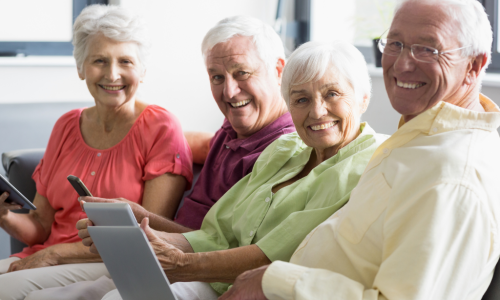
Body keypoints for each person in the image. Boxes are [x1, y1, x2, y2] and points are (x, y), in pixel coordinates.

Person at [221, 1, 500, 299]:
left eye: (428, 49)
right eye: (395, 43)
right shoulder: (419, 140)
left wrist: (274, 281)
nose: (402, 63)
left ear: (474, 65)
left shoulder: (453, 177)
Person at [20, 15, 297, 300]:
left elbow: (228, 245)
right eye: (217, 77)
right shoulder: (230, 132)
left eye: (242, 73)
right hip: (164, 257)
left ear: (278, 71)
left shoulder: (289, 151)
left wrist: (140, 220)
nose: (228, 91)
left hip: (203, 272)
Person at [88, 40, 389, 300]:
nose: (317, 111)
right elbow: (217, 233)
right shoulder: (285, 148)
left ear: (363, 97)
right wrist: (142, 233)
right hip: (215, 281)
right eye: (301, 99)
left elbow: (278, 252)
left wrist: (181, 264)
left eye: (332, 94)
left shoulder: (370, 163)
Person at [0, 4, 193, 300]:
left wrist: (55, 255)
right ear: (81, 67)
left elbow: (146, 235)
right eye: (99, 60)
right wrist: (4, 216)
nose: (112, 74)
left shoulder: (161, 126)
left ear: (142, 70)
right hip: (46, 255)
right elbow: (39, 227)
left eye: (125, 61)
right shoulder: (66, 125)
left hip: (111, 262)